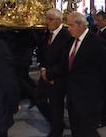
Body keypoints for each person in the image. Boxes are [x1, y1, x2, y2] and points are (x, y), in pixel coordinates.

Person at [66, 12, 106, 137]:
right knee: (76, 131)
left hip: (89, 102)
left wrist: (97, 96)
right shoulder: (72, 40)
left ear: (81, 25)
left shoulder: (96, 43)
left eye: (70, 25)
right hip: (73, 98)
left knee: (88, 132)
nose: (68, 28)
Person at [35, 8, 72, 137]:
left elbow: (65, 61)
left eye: (50, 19)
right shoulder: (48, 33)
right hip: (45, 72)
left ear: (58, 20)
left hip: (57, 77)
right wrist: (42, 67)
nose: (47, 21)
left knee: (56, 105)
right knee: (39, 99)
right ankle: (56, 122)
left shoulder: (66, 36)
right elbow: (42, 50)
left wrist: (50, 74)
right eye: (47, 18)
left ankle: (57, 130)